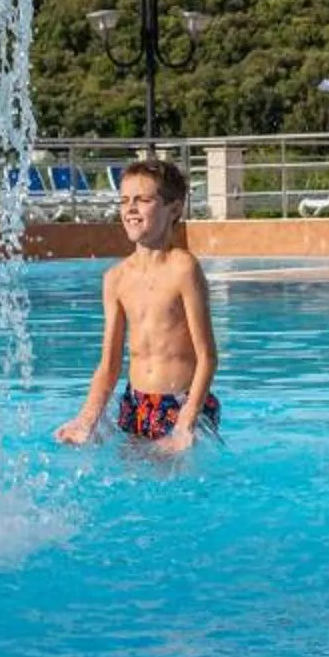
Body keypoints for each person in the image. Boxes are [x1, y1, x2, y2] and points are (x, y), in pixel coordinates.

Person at [54, 156, 220, 451]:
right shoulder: (115, 279)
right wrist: (86, 419)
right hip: (136, 404)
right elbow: (109, 365)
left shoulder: (183, 268)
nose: (130, 208)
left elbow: (207, 357)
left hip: (181, 401)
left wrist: (186, 421)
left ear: (174, 209)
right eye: (124, 200)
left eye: (143, 199)